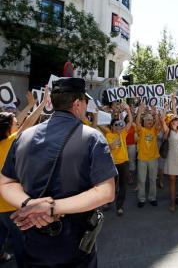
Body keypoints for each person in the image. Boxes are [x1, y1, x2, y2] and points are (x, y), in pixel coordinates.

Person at [0, 78, 117, 267]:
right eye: (86, 102)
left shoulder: (23, 136)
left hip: (32, 245)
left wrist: (31, 204)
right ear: (77, 104)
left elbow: (5, 183)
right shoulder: (93, 137)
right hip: (76, 248)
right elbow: (106, 192)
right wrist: (50, 207)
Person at [0, 90, 47, 267]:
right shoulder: (10, 141)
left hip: (1, 203)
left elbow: (17, 119)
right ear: (8, 129)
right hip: (10, 203)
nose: (17, 123)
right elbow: (27, 123)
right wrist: (41, 104)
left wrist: (29, 104)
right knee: (21, 240)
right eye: (15, 123)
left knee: (2, 233)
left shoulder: (4, 139)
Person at [106, 103, 133, 216]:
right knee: (111, 185)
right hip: (113, 164)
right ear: (112, 127)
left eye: (119, 124)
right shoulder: (109, 135)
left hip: (124, 163)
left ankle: (120, 206)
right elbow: (111, 146)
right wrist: (116, 139)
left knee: (123, 185)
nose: (119, 126)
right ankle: (107, 202)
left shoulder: (123, 133)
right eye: (116, 125)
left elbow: (130, 122)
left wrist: (128, 109)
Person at [135, 103, 161, 208]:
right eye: (147, 120)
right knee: (141, 180)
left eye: (151, 120)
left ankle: (152, 198)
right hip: (142, 159)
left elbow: (158, 123)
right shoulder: (141, 130)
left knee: (152, 179)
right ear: (144, 122)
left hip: (153, 159)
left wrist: (155, 114)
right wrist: (140, 111)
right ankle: (141, 199)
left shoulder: (154, 130)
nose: (150, 121)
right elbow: (137, 123)